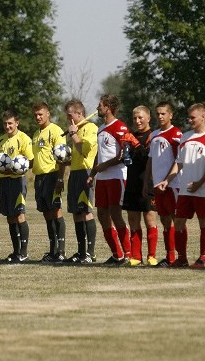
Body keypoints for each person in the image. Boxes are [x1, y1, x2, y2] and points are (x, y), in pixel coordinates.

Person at [86, 94, 138, 265]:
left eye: (100, 105)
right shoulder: (100, 128)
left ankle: (129, 254)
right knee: (102, 215)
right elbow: (98, 155)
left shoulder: (120, 127)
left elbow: (124, 155)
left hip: (116, 177)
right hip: (102, 178)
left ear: (108, 107)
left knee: (116, 214)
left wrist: (105, 166)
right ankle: (117, 254)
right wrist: (93, 173)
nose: (98, 108)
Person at [167, 103, 205, 268]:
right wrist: (167, 179)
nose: (190, 120)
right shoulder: (185, 137)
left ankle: (203, 258)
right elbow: (178, 163)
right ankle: (182, 258)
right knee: (179, 221)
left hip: (203, 189)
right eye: (189, 117)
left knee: (203, 222)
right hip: (185, 189)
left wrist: (200, 182)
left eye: (193, 117)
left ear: (203, 117)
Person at [0, 109, 34, 263]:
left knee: (19, 215)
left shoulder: (24, 138)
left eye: (10, 123)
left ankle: (24, 252)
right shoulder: (2, 139)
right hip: (4, 181)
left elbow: (30, 162)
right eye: (5, 123)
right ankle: (16, 252)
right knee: (10, 217)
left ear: (17, 123)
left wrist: (16, 169)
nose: (7, 126)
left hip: (17, 181)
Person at [144, 102, 182, 267]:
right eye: (158, 114)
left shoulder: (176, 135)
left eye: (163, 113)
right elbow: (151, 160)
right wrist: (147, 181)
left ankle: (181, 256)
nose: (160, 116)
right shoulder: (154, 135)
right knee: (165, 220)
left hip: (172, 185)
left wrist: (168, 180)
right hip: (157, 185)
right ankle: (169, 257)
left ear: (170, 115)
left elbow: (178, 161)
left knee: (176, 220)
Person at [31, 102, 67, 262]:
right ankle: (53, 251)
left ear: (48, 114)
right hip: (39, 178)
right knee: (46, 214)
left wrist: (60, 178)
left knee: (56, 211)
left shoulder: (56, 131)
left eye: (40, 114)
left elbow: (62, 157)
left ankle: (61, 251)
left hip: (52, 176)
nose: (38, 117)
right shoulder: (36, 134)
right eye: (36, 115)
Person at [64, 99, 98, 264]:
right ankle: (81, 252)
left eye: (70, 115)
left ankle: (90, 253)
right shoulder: (77, 129)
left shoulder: (91, 128)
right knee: (76, 213)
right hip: (75, 172)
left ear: (79, 114)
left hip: (86, 172)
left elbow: (84, 149)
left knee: (86, 211)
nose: (68, 119)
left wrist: (73, 134)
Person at [123, 105, 157, 266]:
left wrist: (135, 144)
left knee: (150, 218)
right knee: (133, 219)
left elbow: (147, 157)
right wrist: (125, 149)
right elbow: (126, 159)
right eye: (135, 118)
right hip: (132, 181)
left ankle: (152, 256)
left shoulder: (153, 136)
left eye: (140, 117)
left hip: (147, 182)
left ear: (148, 118)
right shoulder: (130, 135)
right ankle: (136, 256)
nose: (137, 121)